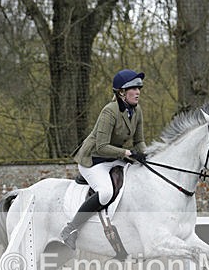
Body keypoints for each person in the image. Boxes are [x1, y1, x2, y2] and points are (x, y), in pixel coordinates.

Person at [59, 68, 148, 250]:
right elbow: (101, 146)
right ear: (121, 92)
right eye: (133, 88)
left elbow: (139, 142)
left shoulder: (137, 111)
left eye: (139, 88)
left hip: (113, 159)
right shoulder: (109, 111)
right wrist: (128, 153)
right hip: (93, 160)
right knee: (106, 192)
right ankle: (71, 228)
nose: (138, 92)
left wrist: (147, 157)